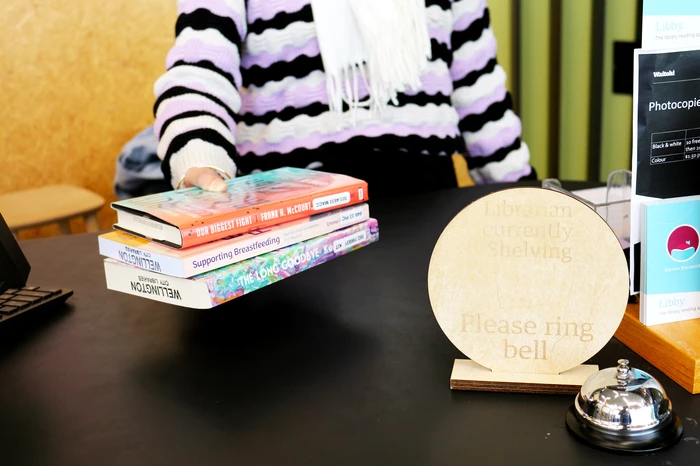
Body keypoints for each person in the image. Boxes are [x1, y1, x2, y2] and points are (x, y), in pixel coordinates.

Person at [121, 0, 535, 199]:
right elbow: (200, 68)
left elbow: (483, 101)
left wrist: (531, 204)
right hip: (291, 216)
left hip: (427, 212)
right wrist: (200, 158)